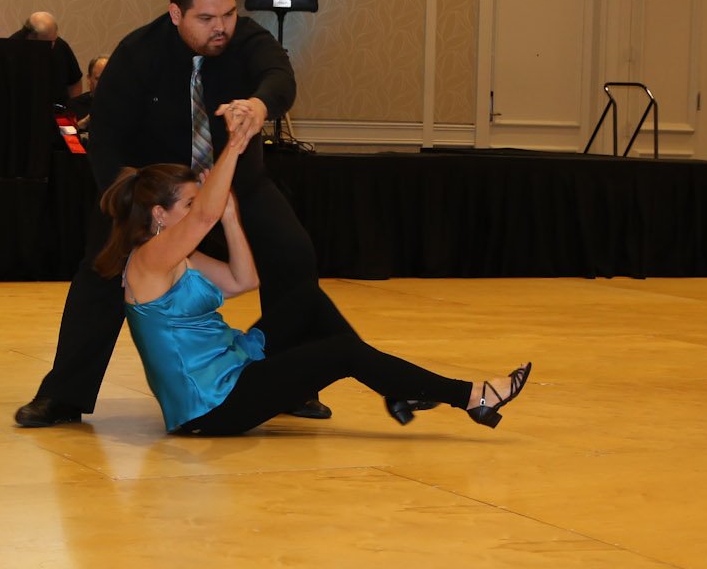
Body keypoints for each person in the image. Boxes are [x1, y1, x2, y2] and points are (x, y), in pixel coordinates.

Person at [15, 0, 346, 428]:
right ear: (176, 14)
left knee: (293, 254)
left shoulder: (246, 38)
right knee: (102, 268)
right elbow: (106, 139)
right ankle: (64, 395)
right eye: (206, 18)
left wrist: (258, 104)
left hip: (236, 185)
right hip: (158, 196)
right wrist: (133, 207)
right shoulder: (137, 54)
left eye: (228, 13)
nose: (221, 27)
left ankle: (291, 382)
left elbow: (280, 75)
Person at [99, 115, 531, 435]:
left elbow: (243, 281)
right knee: (342, 352)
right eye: (189, 203)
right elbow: (203, 218)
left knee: (306, 299)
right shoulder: (149, 259)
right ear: (159, 214)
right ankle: (472, 396)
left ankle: (399, 388)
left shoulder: (178, 257)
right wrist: (235, 144)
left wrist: (230, 217)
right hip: (210, 405)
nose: (200, 209)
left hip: (230, 368)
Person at [10, 11, 82, 104]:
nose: (53, 46)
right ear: (31, 37)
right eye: (48, 43)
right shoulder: (11, 49)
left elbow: (75, 81)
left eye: (54, 40)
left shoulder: (60, 45)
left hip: (59, 109)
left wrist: (73, 107)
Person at [67, 54, 107, 121]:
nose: (104, 83)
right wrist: (86, 121)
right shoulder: (74, 106)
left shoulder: (121, 104)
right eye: (98, 79)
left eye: (107, 78)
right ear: (89, 79)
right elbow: (69, 127)